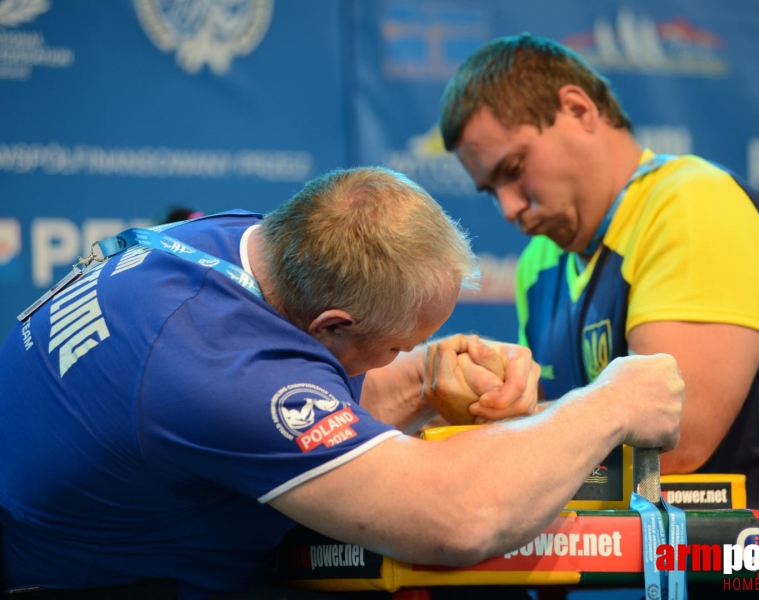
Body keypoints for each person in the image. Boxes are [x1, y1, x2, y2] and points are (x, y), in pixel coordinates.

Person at [0, 166, 684, 599]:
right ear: (331, 324)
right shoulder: (212, 367)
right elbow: (458, 517)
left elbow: (295, 394)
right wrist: (614, 401)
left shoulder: (240, 247)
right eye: (397, 345)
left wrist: (424, 378)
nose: (400, 358)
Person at [439, 33, 759, 511]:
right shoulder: (540, 263)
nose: (510, 209)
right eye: (490, 191)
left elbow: (673, 441)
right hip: (689, 565)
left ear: (578, 109)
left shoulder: (692, 204)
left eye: (513, 169)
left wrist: (501, 431)